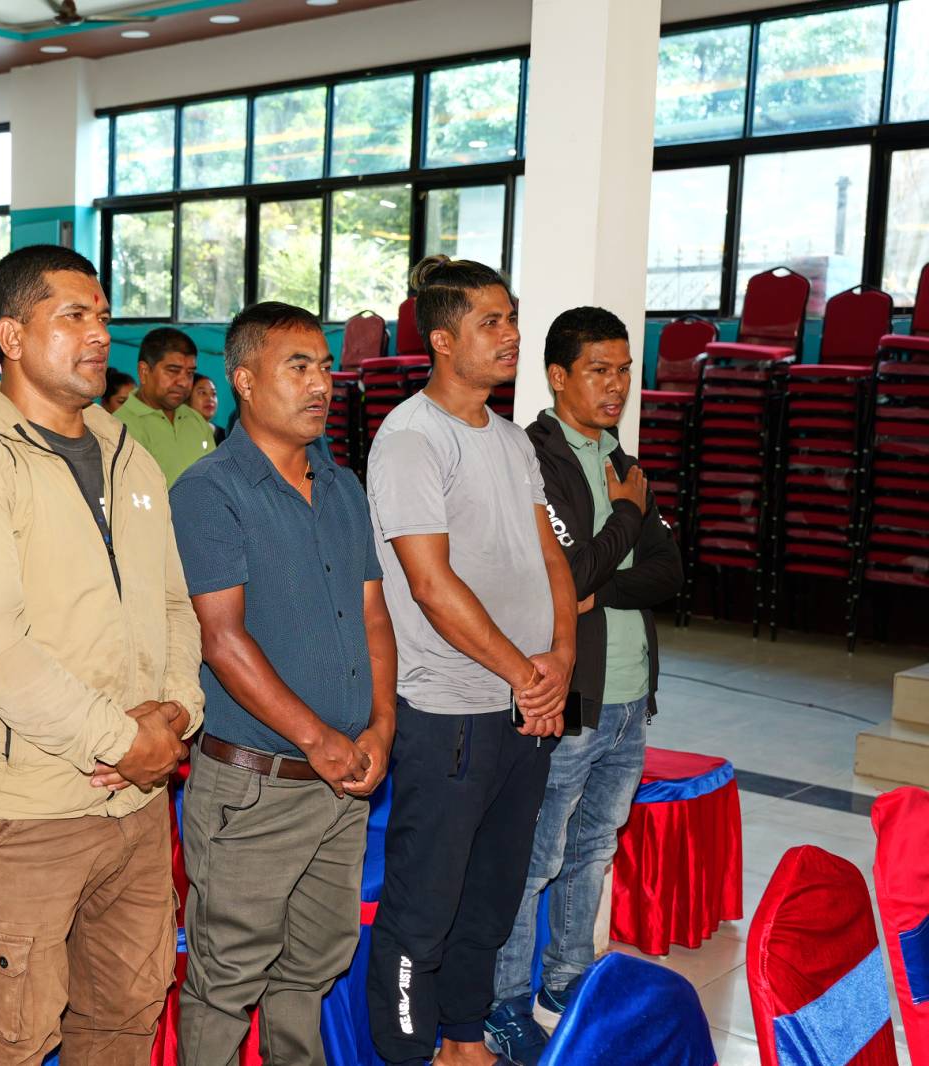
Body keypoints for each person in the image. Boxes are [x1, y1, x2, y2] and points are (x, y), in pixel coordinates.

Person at [0, 245, 203, 1064]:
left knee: (124, 1018)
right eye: (73, 316)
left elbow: (173, 601)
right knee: (11, 1037)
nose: (98, 333)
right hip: (25, 813)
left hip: (135, 803)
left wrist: (177, 711)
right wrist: (123, 739)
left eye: (102, 316)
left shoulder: (127, 453)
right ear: (11, 336)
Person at [170, 303, 397, 1065]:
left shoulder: (341, 486)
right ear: (243, 380)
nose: (320, 384)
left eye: (325, 367)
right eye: (298, 367)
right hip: (256, 789)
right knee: (228, 977)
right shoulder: (210, 491)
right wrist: (319, 739)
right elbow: (223, 640)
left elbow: (374, 617)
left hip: (341, 782)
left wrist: (382, 727)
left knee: (314, 963)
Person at [364, 256, 577, 1066]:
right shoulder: (411, 439)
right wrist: (527, 673)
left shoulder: (514, 440)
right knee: (425, 907)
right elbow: (429, 583)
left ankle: (463, 1041)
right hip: (448, 713)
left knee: (491, 897)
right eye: (492, 322)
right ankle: (408, 1053)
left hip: (522, 708)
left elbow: (550, 558)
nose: (512, 334)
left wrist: (560, 661)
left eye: (512, 318)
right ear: (444, 340)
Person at [487, 307, 683, 1062]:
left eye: (625, 369)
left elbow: (668, 573)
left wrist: (605, 582)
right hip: (568, 691)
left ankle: (565, 983)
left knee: (594, 848)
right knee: (536, 854)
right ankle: (505, 1001)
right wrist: (626, 517)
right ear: (558, 376)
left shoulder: (620, 458)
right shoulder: (535, 458)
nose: (617, 384)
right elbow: (563, 578)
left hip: (631, 696)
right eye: (600, 370)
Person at [114, 327, 215, 485]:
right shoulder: (118, 428)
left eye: (190, 373)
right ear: (144, 372)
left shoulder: (197, 421)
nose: (183, 382)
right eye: (173, 371)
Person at [188, 372, 227, 445]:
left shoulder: (227, 437)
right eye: (202, 393)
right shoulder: (177, 435)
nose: (210, 399)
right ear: (187, 397)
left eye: (214, 394)